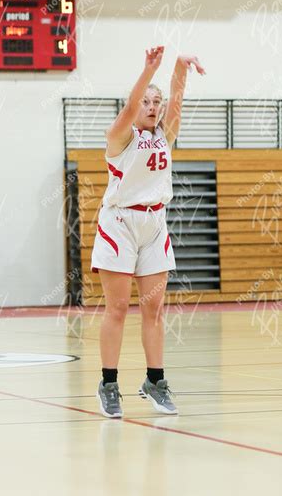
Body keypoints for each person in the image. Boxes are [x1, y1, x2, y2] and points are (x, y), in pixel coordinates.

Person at [91, 46, 205, 417]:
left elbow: (176, 105)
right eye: (147, 101)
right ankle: (109, 383)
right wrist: (147, 71)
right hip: (120, 224)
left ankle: (154, 380)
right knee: (119, 307)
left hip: (154, 224)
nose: (153, 106)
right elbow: (128, 109)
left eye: (157, 101)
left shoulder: (164, 136)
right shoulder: (120, 136)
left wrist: (178, 67)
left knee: (154, 309)